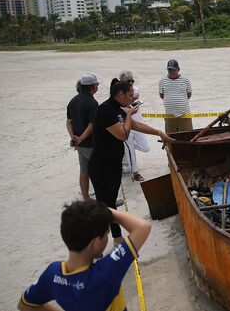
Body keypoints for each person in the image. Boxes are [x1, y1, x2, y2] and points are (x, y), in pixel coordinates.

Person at [17, 200, 152, 311]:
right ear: (95, 244)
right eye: (106, 233)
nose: (108, 235)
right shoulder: (104, 274)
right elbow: (142, 227)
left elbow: (24, 305)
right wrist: (107, 211)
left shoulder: (52, 274)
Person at [89, 81, 172, 245]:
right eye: (130, 95)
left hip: (113, 164)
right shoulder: (105, 110)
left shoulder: (117, 109)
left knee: (109, 201)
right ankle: (113, 238)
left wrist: (159, 132)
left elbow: (135, 125)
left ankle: (107, 237)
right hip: (101, 165)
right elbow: (122, 135)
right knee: (106, 203)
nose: (132, 98)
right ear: (120, 94)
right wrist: (129, 114)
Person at [66, 73, 99, 201]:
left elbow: (69, 122)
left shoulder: (73, 101)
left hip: (79, 145)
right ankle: (103, 200)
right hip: (90, 144)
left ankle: (86, 198)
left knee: (84, 171)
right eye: (97, 84)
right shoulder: (92, 103)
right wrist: (80, 138)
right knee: (98, 172)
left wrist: (74, 138)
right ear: (93, 87)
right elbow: (91, 126)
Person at [119, 71, 150, 182]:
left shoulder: (134, 90)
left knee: (146, 147)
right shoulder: (118, 94)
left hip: (138, 124)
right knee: (130, 149)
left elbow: (132, 98)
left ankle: (125, 148)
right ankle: (135, 172)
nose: (131, 83)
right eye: (128, 81)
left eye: (132, 80)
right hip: (126, 125)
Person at [159, 59, 193, 138]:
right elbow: (162, 96)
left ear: (178, 69)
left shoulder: (186, 80)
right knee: (170, 137)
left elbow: (189, 95)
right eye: (169, 70)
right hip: (169, 116)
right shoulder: (162, 81)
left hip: (184, 115)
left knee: (187, 137)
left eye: (173, 70)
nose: (171, 72)